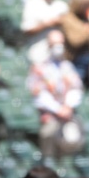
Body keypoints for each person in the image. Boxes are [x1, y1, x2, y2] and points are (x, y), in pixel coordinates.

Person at [27, 30, 85, 161]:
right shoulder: (39, 68)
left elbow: (76, 88)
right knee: (48, 134)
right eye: (54, 44)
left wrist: (68, 106)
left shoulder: (67, 66)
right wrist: (58, 110)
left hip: (68, 115)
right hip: (49, 115)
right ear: (48, 45)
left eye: (61, 43)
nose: (58, 47)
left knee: (73, 138)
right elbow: (39, 94)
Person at [21, 0, 69, 64]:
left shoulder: (62, 6)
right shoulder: (32, 4)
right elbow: (27, 29)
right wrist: (47, 24)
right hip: (38, 54)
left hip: (58, 55)